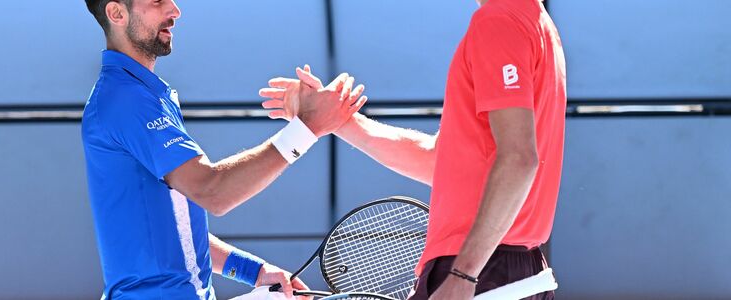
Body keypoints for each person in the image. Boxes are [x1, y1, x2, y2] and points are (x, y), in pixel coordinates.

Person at [261, 0, 566, 298]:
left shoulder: (499, 20)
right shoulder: (534, 21)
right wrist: (334, 121)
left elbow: (519, 160)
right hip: (506, 269)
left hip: (482, 271)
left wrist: (463, 275)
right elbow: (441, 163)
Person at [81, 0, 367, 299]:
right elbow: (213, 191)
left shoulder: (136, 92)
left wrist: (253, 271)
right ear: (116, 13)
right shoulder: (128, 99)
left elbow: (169, 229)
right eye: (157, 1)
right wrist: (308, 127)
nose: (174, 10)